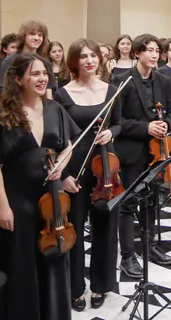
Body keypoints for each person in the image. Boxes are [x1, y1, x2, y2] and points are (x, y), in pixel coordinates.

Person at [0, 53, 79, 320]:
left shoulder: (54, 108)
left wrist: (61, 162)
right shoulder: (1, 112)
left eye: (44, 73)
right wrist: (2, 206)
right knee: (20, 261)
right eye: (35, 74)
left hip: (52, 197)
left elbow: (67, 147)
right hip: (18, 199)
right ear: (19, 78)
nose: (42, 78)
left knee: (52, 255)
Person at [54, 39, 121, 311]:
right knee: (75, 229)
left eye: (93, 55)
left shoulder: (113, 90)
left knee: (105, 228)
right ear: (74, 62)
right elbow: (59, 137)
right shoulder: (62, 94)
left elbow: (119, 123)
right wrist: (66, 175)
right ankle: (75, 288)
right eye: (83, 56)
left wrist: (111, 132)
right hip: (75, 169)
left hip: (106, 169)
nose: (89, 61)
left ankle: (101, 285)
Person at [110, 34, 171, 275]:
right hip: (131, 151)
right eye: (148, 50)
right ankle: (127, 256)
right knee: (128, 202)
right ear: (137, 53)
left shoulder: (164, 81)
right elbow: (116, 121)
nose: (153, 54)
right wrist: (145, 127)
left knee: (151, 200)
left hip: (156, 151)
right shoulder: (122, 80)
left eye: (156, 51)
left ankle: (150, 246)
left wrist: (166, 124)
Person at [0, 20, 56, 99]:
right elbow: (5, 90)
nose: (36, 38)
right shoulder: (10, 61)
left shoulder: (45, 62)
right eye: (32, 34)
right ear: (24, 36)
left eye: (40, 35)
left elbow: (48, 93)